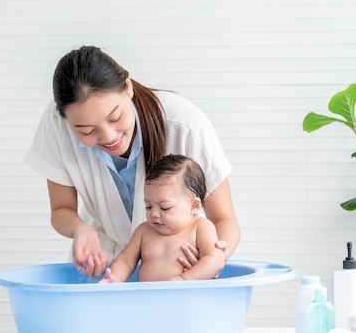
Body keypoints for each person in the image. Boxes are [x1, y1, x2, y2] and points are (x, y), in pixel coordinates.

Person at [25, 46, 240, 277]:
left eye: (115, 117)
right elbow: (61, 209)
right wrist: (81, 230)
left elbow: (224, 219)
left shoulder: (184, 123)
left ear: (128, 87)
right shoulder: (57, 127)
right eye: (86, 131)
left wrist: (210, 259)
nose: (108, 137)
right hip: (105, 261)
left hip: (179, 264)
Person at [100, 154, 222, 282]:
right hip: (147, 299)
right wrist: (113, 278)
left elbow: (215, 260)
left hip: (186, 298)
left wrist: (184, 279)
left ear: (193, 205)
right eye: (148, 206)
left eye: (165, 208)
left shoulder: (200, 228)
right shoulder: (143, 231)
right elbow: (125, 261)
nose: (154, 214)